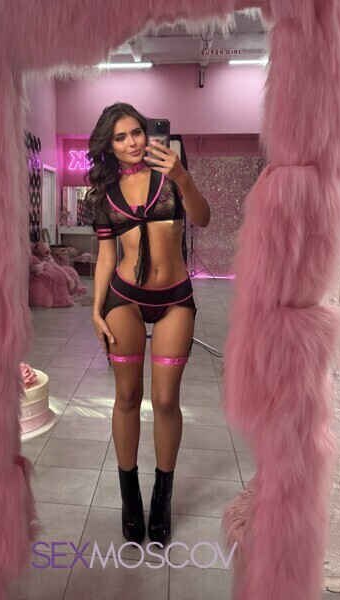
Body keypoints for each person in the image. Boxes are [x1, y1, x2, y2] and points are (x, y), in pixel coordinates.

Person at [84, 102, 210, 546]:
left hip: (174, 299)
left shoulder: (170, 177)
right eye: (120, 137)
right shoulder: (103, 195)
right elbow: (106, 258)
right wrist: (95, 310)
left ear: (146, 132)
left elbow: (203, 217)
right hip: (125, 299)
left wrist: (183, 176)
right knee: (126, 397)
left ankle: (162, 497)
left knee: (166, 400)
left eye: (136, 132)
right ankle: (130, 497)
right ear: (109, 146)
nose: (131, 142)